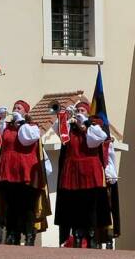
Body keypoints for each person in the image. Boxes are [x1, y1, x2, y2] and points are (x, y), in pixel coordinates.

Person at [55, 101, 111, 248]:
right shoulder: (70, 128)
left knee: (90, 205)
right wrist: (65, 116)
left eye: (82, 110)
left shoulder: (94, 125)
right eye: (77, 110)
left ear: (87, 113)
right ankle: (77, 235)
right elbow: (58, 131)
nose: (79, 112)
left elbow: (98, 139)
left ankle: (91, 235)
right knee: (74, 204)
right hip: (72, 169)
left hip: (89, 170)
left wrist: (85, 124)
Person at [0, 100, 49, 246]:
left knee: (27, 205)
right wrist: (1, 118)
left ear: (26, 113)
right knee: (11, 204)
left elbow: (25, 140)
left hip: (26, 169)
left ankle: (29, 234)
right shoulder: (7, 127)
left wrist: (21, 122)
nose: (16, 109)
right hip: (8, 169)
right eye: (14, 107)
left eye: (19, 108)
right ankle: (12, 234)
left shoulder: (32, 127)